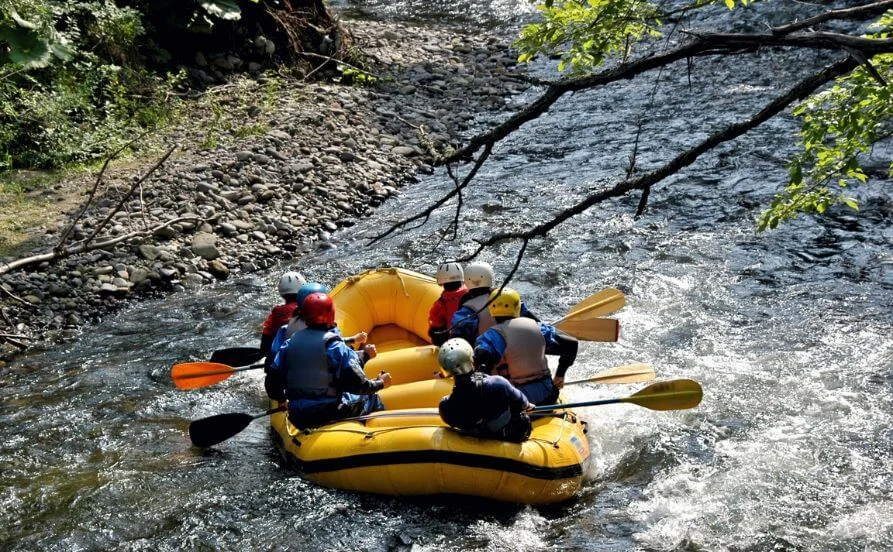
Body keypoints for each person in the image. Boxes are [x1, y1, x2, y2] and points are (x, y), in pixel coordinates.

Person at [266, 292, 392, 429]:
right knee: (371, 398)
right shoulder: (336, 347)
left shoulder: (289, 344)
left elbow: (272, 381)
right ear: (331, 315)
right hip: (328, 413)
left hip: (298, 416)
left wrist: (281, 399)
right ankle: (375, 435)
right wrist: (380, 383)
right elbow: (359, 386)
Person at [473, 287, 578, 405]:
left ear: (491, 309)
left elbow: (482, 360)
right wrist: (560, 374)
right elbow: (571, 343)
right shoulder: (538, 328)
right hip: (548, 395)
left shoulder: (490, 337)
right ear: (518, 306)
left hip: (514, 401)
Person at [437, 338, 534, 443]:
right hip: (505, 436)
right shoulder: (498, 383)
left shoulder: (445, 407)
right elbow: (523, 403)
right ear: (471, 360)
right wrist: (528, 406)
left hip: (474, 444)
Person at [449, 261, 538, 345]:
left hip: (485, 353)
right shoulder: (506, 296)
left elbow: (457, 335)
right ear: (490, 277)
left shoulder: (466, 309)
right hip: (513, 348)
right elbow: (529, 318)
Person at [260, 271, 305, 365]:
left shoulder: (276, 312)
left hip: (281, 359)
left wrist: (265, 355)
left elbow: (265, 342)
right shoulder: (310, 308)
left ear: (282, 293)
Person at [427, 261, 468, 346]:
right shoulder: (471, 294)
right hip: (472, 338)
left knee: (434, 333)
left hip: (453, 341)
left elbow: (435, 322)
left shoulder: (441, 303)